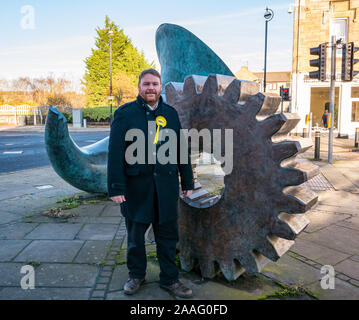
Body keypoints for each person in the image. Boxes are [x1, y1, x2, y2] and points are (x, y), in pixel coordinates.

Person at [107, 68, 194, 298]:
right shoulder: (124, 114)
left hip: (166, 189)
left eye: (155, 84)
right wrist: (116, 187)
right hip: (136, 189)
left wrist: (187, 180)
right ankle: (136, 275)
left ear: (160, 86)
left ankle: (170, 279)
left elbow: (180, 150)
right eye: (146, 84)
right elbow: (115, 153)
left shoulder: (171, 114)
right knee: (135, 237)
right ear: (139, 86)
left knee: (168, 237)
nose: (151, 88)